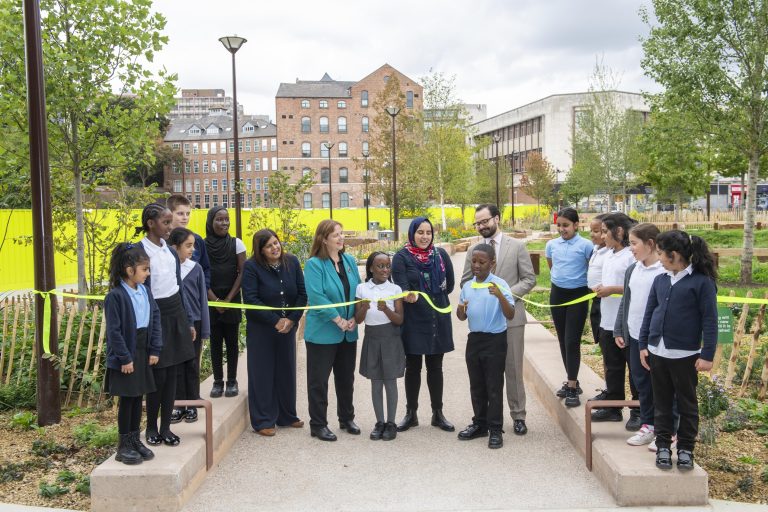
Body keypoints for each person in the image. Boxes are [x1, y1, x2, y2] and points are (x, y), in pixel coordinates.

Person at [639, 230, 718, 471]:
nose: (659, 258)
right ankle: (663, 445)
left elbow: (709, 320)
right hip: (657, 352)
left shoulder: (701, 282)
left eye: (661, 254)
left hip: (685, 355)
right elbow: (649, 312)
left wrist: (707, 355)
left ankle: (685, 448)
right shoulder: (660, 279)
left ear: (674, 255)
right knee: (661, 402)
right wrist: (644, 344)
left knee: (687, 404)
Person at [461, 204, 535, 435]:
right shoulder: (474, 250)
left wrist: (504, 296)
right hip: (484, 326)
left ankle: (518, 415)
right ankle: (485, 421)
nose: (481, 226)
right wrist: (478, 296)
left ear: (497, 219)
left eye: (485, 221)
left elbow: (529, 279)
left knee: (512, 369)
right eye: (478, 223)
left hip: (510, 319)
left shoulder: (517, 246)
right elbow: (465, 281)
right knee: (485, 375)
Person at [138, 203, 196, 447]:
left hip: (176, 314)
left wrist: (188, 320)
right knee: (157, 375)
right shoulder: (138, 251)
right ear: (151, 223)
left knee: (173, 373)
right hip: (155, 316)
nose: (171, 227)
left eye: (171, 222)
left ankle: (166, 427)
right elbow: (140, 291)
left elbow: (179, 287)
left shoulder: (170, 252)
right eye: (166, 222)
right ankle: (151, 426)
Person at [392, 217, 455, 433]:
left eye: (428, 232)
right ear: (412, 233)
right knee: (413, 367)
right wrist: (407, 294)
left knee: (436, 367)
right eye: (420, 232)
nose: (424, 236)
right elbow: (401, 285)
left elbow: (450, 284)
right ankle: (411, 414)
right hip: (413, 319)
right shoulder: (401, 257)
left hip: (438, 317)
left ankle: (438, 414)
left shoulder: (441, 255)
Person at [241, 229, 307, 436]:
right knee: (262, 373)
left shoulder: (292, 262)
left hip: (287, 328)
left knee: (286, 371)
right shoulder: (251, 267)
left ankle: (287, 416)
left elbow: (302, 294)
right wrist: (275, 320)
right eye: (269, 245)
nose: (275, 247)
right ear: (260, 250)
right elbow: (251, 298)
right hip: (262, 329)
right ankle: (263, 420)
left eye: (276, 243)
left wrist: (291, 320)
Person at [303, 220, 361, 441]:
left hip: (349, 330)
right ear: (323, 239)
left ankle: (346, 418)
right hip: (323, 332)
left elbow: (358, 290)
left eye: (342, 233)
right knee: (319, 381)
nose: (341, 238)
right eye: (335, 235)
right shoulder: (314, 264)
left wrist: (355, 316)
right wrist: (338, 319)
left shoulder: (349, 261)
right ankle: (318, 424)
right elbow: (317, 296)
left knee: (346, 378)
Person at [104, 243, 161, 465]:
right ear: (130, 270)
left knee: (138, 398)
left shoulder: (145, 291)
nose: (148, 274)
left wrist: (155, 348)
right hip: (126, 355)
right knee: (127, 400)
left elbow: (154, 319)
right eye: (144, 269)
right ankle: (123, 446)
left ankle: (135, 440)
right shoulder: (115, 297)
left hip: (142, 350)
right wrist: (124, 358)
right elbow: (114, 332)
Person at [457, 244, 516, 449]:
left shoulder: (500, 285)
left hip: (495, 341)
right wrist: (461, 308)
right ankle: (479, 424)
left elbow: (510, 314)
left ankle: (495, 429)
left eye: (482, 262)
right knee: (477, 385)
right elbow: (461, 316)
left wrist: (499, 296)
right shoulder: (467, 286)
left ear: (492, 263)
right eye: (474, 261)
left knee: (493, 386)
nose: (476, 266)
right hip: (475, 340)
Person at [614, 223, 666, 447]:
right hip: (634, 336)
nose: (631, 248)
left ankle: (666, 430)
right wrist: (619, 328)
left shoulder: (664, 271)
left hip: (657, 340)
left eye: (634, 243)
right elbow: (626, 300)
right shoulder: (633, 269)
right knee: (641, 383)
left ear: (651, 244)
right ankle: (648, 425)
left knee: (662, 385)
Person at [589, 213, 640, 429]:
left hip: (627, 323)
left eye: (604, 231)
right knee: (612, 366)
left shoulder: (631, 255)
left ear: (618, 232)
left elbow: (636, 286)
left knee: (634, 369)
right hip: (607, 320)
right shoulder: (608, 253)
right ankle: (613, 406)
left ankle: (638, 410)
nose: (601, 235)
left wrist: (612, 289)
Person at [354, 251, 405, 441]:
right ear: (370, 268)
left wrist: (386, 310)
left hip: (391, 338)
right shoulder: (361, 288)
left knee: (390, 382)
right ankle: (380, 422)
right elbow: (359, 320)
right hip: (372, 338)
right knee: (376, 382)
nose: (385, 270)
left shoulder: (395, 289)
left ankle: (391, 423)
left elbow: (399, 319)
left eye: (387, 266)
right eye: (380, 266)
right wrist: (365, 307)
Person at [545, 208, 593, 408]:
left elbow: (592, 267)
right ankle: (571, 379)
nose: (562, 229)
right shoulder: (551, 244)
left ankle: (572, 387)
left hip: (578, 295)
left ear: (576, 225)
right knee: (563, 340)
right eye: (559, 225)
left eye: (566, 225)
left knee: (572, 340)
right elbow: (551, 264)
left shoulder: (586, 245)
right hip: (558, 294)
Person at [168, 228, 210, 424]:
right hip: (174, 323)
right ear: (175, 247)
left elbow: (202, 300)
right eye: (188, 246)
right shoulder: (167, 268)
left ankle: (192, 403)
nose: (192, 250)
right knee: (175, 365)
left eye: (193, 245)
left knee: (192, 364)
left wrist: (205, 328)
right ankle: (177, 404)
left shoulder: (196, 268)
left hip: (195, 323)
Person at [205, 206, 246, 398]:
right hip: (210, 299)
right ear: (210, 222)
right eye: (219, 220)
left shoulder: (236, 244)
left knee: (231, 342)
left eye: (226, 219)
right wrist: (215, 300)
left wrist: (228, 300)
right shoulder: (201, 245)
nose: (224, 223)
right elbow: (201, 276)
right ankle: (217, 381)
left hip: (232, 297)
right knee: (215, 342)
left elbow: (242, 273)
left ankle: (232, 381)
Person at [166, 195, 211, 290]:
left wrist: (202, 288)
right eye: (180, 213)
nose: (185, 217)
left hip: (193, 296)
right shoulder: (162, 241)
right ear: (169, 214)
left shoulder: (197, 240)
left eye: (188, 213)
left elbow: (206, 268)